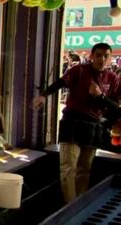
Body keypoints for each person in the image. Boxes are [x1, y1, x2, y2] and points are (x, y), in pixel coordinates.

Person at [33, 43, 120, 203]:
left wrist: (100, 96)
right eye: (99, 55)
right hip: (71, 122)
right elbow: (60, 83)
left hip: (93, 126)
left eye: (106, 56)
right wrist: (43, 96)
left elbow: (115, 106)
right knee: (68, 168)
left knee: (84, 169)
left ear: (110, 58)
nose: (102, 59)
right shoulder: (79, 70)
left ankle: (79, 204)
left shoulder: (112, 78)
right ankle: (70, 209)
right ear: (92, 56)